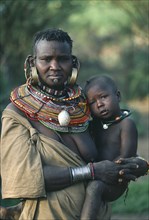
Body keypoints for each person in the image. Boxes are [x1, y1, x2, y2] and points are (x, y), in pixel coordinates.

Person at [0, 28, 148, 220]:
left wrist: (138, 163)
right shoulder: (18, 113)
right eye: (46, 59)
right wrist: (91, 171)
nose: (55, 66)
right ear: (32, 62)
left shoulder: (84, 107)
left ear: (73, 62)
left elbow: (111, 149)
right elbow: (24, 177)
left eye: (62, 59)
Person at [80, 74, 139, 219]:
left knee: (95, 187)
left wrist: (101, 171)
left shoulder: (126, 125)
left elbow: (126, 158)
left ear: (117, 96)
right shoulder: (94, 126)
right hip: (96, 173)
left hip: (116, 180)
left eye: (103, 97)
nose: (99, 104)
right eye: (92, 102)